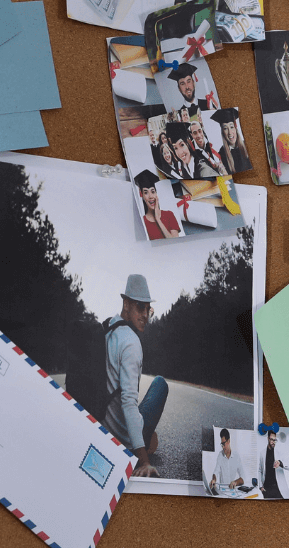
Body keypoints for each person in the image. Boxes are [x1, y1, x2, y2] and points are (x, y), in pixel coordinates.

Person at [104, 274, 168, 478]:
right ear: (126, 304)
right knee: (160, 383)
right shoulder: (131, 342)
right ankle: (142, 440)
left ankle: (143, 437)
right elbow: (129, 403)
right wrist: (144, 461)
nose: (145, 316)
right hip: (123, 438)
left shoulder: (107, 329)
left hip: (104, 425)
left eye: (148, 309)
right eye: (140, 307)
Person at [134, 170, 181, 239]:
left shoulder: (169, 215)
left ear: (156, 193)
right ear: (142, 195)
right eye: (146, 192)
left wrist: (158, 220)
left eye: (153, 191)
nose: (150, 196)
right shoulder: (142, 222)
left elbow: (176, 242)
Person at [209, 428, 250, 494]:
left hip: (233, 491)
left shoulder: (236, 456)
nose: (223, 447)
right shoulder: (220, 455)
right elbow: (216, 472)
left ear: (228, 441)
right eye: (221, 444)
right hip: (222, 491)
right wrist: (213, 480)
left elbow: (243, 477)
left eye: (224, 444)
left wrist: (235, 482)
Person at [213, 108, 254, 174]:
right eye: (225, 128)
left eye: (231, 127)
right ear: (223, 132)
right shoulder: (222, 154)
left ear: (235, 128)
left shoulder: (247, 145)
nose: (230, 132)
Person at [262, 429, 289, 499]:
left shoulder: (279, 452)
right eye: (271, 439)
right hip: (266, 489)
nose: (273, 442)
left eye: (275, 440)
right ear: (267, 439)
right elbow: (260, 470)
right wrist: (260, 486)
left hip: (278, 489)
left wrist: (280, 463)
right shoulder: (262, 453)